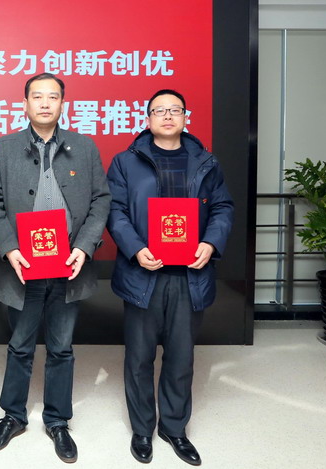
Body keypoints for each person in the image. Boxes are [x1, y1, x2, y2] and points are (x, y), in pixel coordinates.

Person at [0, 73, 110, 464]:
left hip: (68, 266)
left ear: (62, 104)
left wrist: (84, 247)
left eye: (52, 97)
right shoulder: (3, 149)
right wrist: (9, 250)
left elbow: (101, 201)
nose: (44, 103)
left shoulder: (84, 148)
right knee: (20, 344)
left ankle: (57, 421)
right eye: (37, 96)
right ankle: (13, 416)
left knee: (61, 347)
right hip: (22, 267)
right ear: (25, 103)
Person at [106, 89, 234, 466]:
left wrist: (210, 243)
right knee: (139, 357)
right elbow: (115, 211)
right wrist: (135, 249)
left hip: (189, 275)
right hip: (143, 272)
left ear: (184, 117)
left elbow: (223, 207)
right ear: (147, 119)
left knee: (181, 357)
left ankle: (174, 429)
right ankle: (142, 429)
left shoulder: (205, 162)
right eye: (159, 110)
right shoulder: (125, 162)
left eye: (174, 110)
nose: (167, 116)